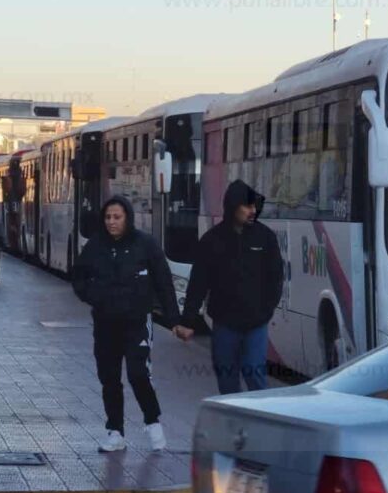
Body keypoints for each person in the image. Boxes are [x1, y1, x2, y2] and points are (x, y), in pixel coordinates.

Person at [72, 195, 181, 452]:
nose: (112, 222)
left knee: (138, 373)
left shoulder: (146, 245)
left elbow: (164, 284)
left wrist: (174, 320)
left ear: (127, 218)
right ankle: (115, 432)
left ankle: (152, 421)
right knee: (109, 378)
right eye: (108, 217)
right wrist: (94, 296)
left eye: (117, 217)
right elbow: (79, 278)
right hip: (105, 324)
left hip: (137, 323)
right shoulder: (95, 246)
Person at [174, 180, 284, 394]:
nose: (253, 211)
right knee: (226, 380)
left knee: (255, 374)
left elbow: (276, 278)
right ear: (233, 206)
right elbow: (198, 283)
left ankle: (262, 422)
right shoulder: (212, 240)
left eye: (255, 207)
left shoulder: (265, 238)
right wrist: (187, 321)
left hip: (256, 324)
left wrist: (266, 310)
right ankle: (235, 425)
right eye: (247, 206)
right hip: (225, 324)